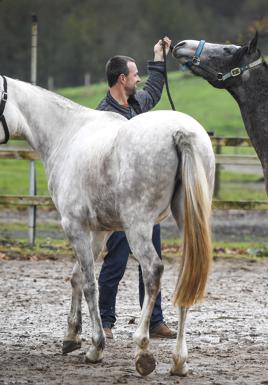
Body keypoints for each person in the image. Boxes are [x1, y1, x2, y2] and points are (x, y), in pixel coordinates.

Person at [96, 37, 176, 340]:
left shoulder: (137, 103)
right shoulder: (104, 116)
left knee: (150, 262)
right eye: (133, 74)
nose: (138, 79)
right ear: (121, 79)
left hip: (144, 205)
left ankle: (154, 321)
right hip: (117, 206)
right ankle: (105, 321)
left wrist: (158, 56)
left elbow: (154, 88)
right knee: (114, 264)